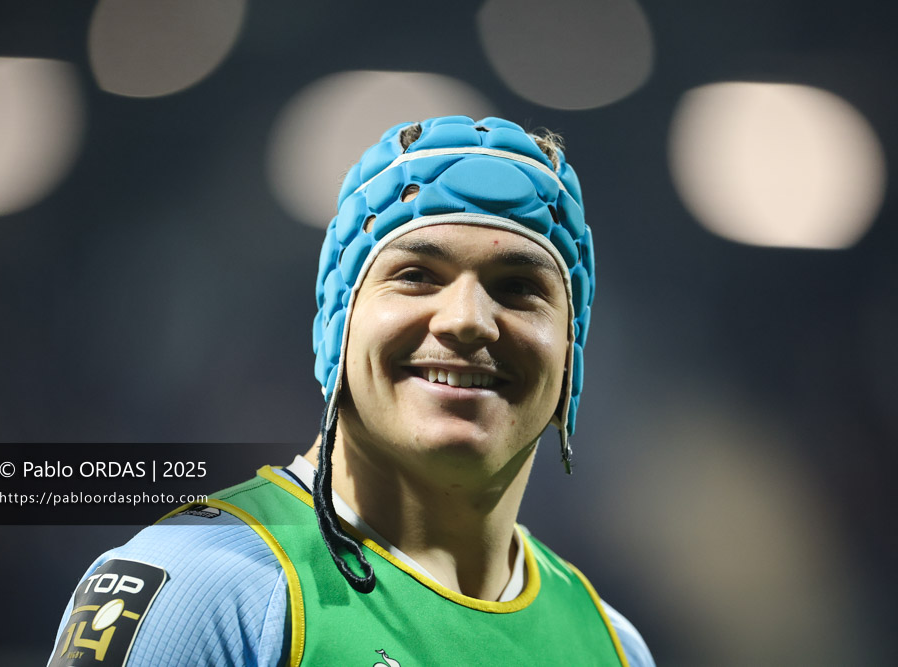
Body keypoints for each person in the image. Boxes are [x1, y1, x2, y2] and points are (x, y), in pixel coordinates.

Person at [47, 115, 654, 666]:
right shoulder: (203, 587)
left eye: (520, 287)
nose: (467, 319)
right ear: (339, 325)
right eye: (416, 276)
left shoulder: (612, 646)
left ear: (569, 352)